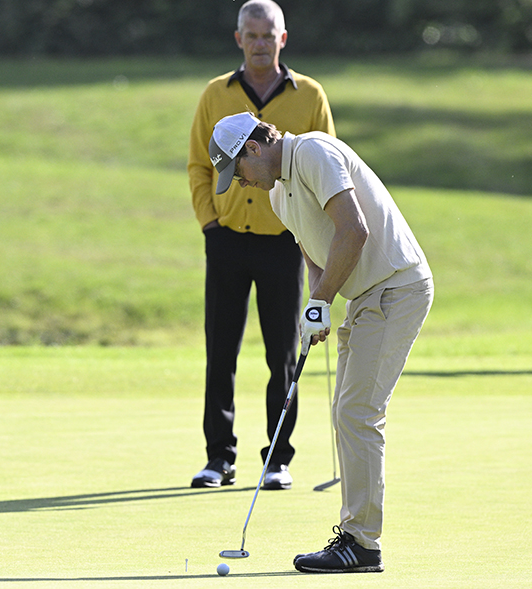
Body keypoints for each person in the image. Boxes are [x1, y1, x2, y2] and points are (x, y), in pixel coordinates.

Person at [209, 112, 433, 573]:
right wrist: (319, 305)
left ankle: (362, 544)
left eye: (239, 171)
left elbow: (354, 230)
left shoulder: (313, 151)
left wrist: (322, 301)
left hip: (396, 287)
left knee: (358, 413)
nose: (241, 183)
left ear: (254, 147)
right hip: (366, 296)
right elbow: (316, 253)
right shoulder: (276, 194)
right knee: (347, 413)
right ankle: (356, 536)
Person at [187, 0, 335, 490]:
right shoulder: (215, 93)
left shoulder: (310, 94)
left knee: (283, 355)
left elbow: (326, 169)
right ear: (238, 39)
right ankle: (219, 458)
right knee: (220, 352)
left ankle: (277, 459)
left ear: (283, 38)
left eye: (268, 34)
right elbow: (199, 166)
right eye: (251, 35)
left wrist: (313, 236)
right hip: (226, 240)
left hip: (284, 243)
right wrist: (210, 223)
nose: (259, 43)